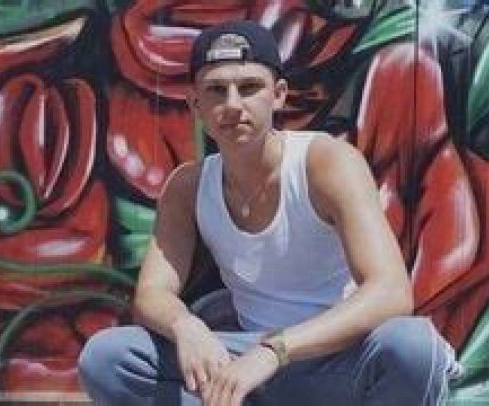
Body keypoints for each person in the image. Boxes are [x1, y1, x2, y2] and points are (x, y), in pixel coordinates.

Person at [78, 20, 457, 406]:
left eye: (249, 88)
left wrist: (275, 350)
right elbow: (152, 293)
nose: (233, 105)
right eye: (216, 90)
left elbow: (390, 292)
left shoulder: (325, 162)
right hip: (244, 362)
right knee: (109, 357)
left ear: (278, 95)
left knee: (412, 346)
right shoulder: (187, 187)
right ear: (195, 105)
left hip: (337, 359)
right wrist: (185, 326)